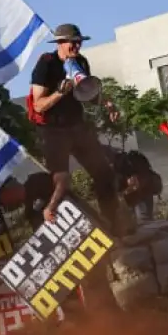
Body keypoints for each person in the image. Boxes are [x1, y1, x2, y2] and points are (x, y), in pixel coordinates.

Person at [28, 23, 123, 235]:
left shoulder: (81, 62)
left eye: (79, 42)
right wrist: (61, 92)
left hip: (77, 126)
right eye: (73, 42)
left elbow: (88, 93)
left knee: (104, 174)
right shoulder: (46, 64)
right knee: (62, 181)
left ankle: (112, 226)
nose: (77, 46)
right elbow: (38, 105)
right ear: (60, 43)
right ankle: (49, 215)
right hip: (53, 130)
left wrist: (107, 104)